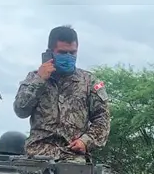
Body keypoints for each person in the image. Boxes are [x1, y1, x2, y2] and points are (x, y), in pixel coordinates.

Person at [13, 25, 110, 163]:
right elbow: (20, 110)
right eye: (63, 53)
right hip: (37, 155)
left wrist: (86, 141)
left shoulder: (89, 82)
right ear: (50, 52)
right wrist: (39, 80)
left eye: (73, 52)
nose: (69, 57)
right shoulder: (34, 78)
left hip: (73, 157)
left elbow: (102, 119)